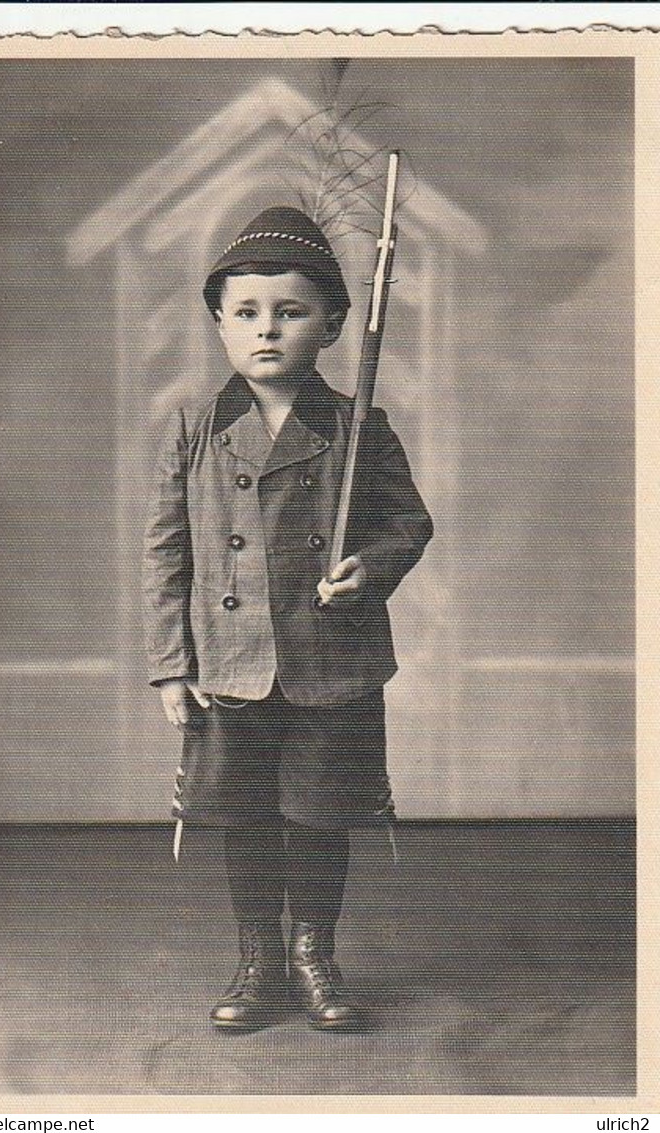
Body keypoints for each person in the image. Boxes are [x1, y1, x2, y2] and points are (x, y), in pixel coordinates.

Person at [142, 205, 433, 1033]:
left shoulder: (356, 425)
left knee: (317, 810)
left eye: (290, 310)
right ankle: (257, 957)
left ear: (334, 323)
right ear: (220, 323)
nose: (266, 329)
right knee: (244, 813)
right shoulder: (194, 429)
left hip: (326, 660)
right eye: (246, 312)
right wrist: (170, 663)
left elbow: (409, 522)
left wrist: (367, 568)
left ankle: (314, 952)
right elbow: (164, 556)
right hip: (228, 664)